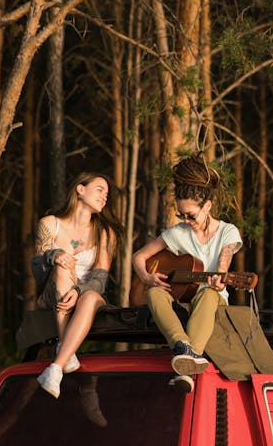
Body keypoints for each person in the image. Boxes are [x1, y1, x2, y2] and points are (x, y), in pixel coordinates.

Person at [132, 154, 242, 390]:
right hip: (184, 301)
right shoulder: (178, 233)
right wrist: (147, 276)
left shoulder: (228, 232)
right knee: (153, 293)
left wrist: (220, 279)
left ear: (208, 206)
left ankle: (189, 366)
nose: (185, 219)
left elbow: (224, 263)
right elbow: (138, 257)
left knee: (209, 294)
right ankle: (183, 347)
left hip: (213, 301)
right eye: (181, 214)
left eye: (190, 215)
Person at [33, 171, 121, 399]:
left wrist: (78, 291)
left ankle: (56, 365)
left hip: (88, 295)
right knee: (62, 266)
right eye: (100, 190)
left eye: (107, 194)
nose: (104, 197)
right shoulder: (50, 224)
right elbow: (37, 270)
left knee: (90, 297)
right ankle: (64, 356)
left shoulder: (105, 232)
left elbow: (100, 280)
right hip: (56, 289)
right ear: (80, 189)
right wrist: (54, 254)